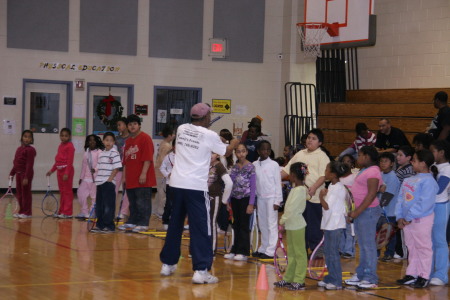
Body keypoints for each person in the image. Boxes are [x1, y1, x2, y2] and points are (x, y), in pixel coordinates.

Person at [159, 103, 238, 284]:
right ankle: (201, 270)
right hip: (195, 187)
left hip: (177, 185)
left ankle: (168, 264)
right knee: (201, 228)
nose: (211, 117)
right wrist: (234, 141)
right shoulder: (209, 135)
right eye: (209, 115)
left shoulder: (181, 128)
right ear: (205, 118)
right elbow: (226, 151)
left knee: (175, 224)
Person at [395, 150, 438, 288]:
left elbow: (424, 203)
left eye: (414, 160)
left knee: (423, 247)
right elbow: (400, 199)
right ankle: (411, 274)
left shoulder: (429, 182)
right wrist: (400, 216)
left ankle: (423, 275)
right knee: (411, 247)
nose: (412, 162)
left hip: (422, 220)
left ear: (423, 163)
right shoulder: (408, 180)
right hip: (407, 221)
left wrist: (408, 216)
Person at [282, 128, 330, 252]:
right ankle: (302, 249)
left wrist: (313, 188)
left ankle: (316, 251)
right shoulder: (300, 154)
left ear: (320, 143)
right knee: (300, 225)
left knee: (313, 226)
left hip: (314, 197)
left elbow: (323, 176)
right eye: (309, 137)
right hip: (299, 196)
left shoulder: (322, 156)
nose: (310, 140)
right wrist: (272, 179)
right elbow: (286, 170)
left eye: (314, 139)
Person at [345, 146, 382, 289]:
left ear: (367, 157)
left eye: (359, 155)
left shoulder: (373, 171)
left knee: (368, 246)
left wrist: (357, 212)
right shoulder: (365, 170)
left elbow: (371, 194)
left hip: (368, 212)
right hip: (362, 212)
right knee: (362, 245)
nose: (357, 158)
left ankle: (371, 277)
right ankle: (361, 274)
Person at [119, 114, 156, 233]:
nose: (132, 126)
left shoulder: (145, 138)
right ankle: (132, 221)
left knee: (142, 201)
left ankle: (143, 223)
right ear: (127, 127)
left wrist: (143, 173)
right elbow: (125, 161)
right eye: (130, 124)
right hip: (131, 177)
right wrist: (124, 177)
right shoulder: (128, 141)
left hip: (142, 177)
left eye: (135, 124)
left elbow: (147, 158)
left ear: (139, 125)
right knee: (133, 201)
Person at [274, 162, 309, 291]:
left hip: (297, 226)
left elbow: (291, 209)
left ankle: (300, 280)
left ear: (293, 175)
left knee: (300, 253)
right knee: (292, 254)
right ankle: (289, 278)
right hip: (291, 226)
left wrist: (282, 220)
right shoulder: (296, 189)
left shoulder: (300, 190)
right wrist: (285, 222)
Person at [318, 161, 349, 290]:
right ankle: (330, 277)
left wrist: (320, 196)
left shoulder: (338, 188)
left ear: (333, 174)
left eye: (326, 170)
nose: (325, 173)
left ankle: (336, 281)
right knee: (328, 252)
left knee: (333, 253)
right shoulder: (331, 185)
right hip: (329, 224)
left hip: (335, 225)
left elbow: (326, 206)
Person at [224, 143, 256, 262]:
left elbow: (253, 187)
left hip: (246, 199)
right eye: (238, 151)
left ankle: (243, 251)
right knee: (235, 224)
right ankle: (235, 249)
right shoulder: (235, 167)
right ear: (235, 153)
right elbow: (230, 184)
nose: (241, 154)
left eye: (243, 151)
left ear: (247, 152)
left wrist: (251, 203)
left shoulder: (251, 167)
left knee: (244, 225)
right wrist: (227, 200)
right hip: (235, 199)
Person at [252, 140, 283, 259]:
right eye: (263, 149)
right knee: (263, 224)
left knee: (271, 224)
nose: (266, 152)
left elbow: (277, 183)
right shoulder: (254, 164)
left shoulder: (274, 165)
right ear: (258, 151)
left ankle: (271, 250)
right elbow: (254, 183)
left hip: (271, 198)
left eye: (268, 149)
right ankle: (263, 247)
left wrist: (277, 201)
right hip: (260, 198)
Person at [90, 132, 122, 233]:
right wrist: (94, 170)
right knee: (100, 205)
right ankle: (100, 225)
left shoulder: (114, 153)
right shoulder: (102, 153)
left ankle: (109, 226)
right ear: (103, 141)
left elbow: (116, 168)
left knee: (108, 205)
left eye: (111, 140)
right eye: (106, 140)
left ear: (114, 142)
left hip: (108, 183)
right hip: (99, 183)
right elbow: (98, 166)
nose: (108, 142)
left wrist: (110, 179)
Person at [429, 140, 450, 286]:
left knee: (439, 240)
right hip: (428, 207)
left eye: (433, 151)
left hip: (441, 206)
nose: (431, 155)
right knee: (428, 241)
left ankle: (441, 274)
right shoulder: (432, 166)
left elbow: (439, 189)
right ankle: (427, 272)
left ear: (441, 152)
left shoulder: (447, 168)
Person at [46, 128, 75, 218]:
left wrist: (66, 173)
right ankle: (61, 211)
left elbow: (70, 161)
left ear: (69, 137)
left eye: (66, 136)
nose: (63, 137)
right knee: (62, 192)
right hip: (59, 171)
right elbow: (58, 161)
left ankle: (67, 212)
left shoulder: (70, 146)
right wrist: (51, 170)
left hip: (67, 171)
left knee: (67, 192)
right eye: (62, 135)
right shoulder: (60, 146)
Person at [378, 152, 400, 262]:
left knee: (389, 234)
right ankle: (376, 253)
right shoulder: (379, 175)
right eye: (381, 161)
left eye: (385, 161)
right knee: (377, 233)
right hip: (379, 211)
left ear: (392, 163)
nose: (383, 163)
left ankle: (389, 253)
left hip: (389, 212)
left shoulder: (393, 177)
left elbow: (387, 196)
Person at [207, 153, 232, 253]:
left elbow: (229, 183)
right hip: (204, 197)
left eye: (212, 153)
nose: (209, 155)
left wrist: (224, 200)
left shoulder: (219, 166)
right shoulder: (204, 164)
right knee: (204, 223)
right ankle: (202, 248)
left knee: (212, 223)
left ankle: (212, 250)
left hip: (215, 197)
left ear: (217, 154)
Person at [9, 130, 36, 218]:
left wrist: (26, 177)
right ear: (21, 138)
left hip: (26, 174)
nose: (27, 139)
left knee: (26, 194)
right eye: (25, 136)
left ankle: (27, 212)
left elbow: (29, 164)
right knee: (19, 194)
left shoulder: (30, 150)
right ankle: (21, 211)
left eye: (29, 137)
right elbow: (16, 163)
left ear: (31, 139)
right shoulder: (19, 149)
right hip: (18, 174)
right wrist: (12, 173)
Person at [76, 134, 103, 219]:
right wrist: (81, 177)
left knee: (94, 196)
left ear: (97, 141)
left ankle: (93, 212)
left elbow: (101, 163)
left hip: (95, 179)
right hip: (86, 179)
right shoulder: (86, 153)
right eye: (90, 140)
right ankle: (84, 211)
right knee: (80, 194)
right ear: (87, 142)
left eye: (93, 140)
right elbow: (84, 166)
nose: (92, 142)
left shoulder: (99, 152)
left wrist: (95, 169)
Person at [338, 154, 357, 259]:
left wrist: (354, 208)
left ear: (352, 164)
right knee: (341, 229)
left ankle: (349, 250)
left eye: (349, 161)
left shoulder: (354, 176)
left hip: (350, 208)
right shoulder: (339, 178)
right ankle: (341, 249)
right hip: (340, 209)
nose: (346, 163)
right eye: (344, 161)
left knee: (350, 230)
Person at [154, 126, 175, 219]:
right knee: (163, 193)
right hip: (161, 173)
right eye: (173, 134)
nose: (174, 135)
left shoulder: (163, 143)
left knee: (159, 192)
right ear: (170, 135)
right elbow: (163, 159)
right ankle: (161, 212)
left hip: (158, 171)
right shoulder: (167, 146)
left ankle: (156, 210)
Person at [115, 117, 130, 220]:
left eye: (120, 124)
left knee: (126, 192)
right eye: (118, 125)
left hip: (128, 169)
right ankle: (110, 210)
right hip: (117, 169)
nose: (119, 127)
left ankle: (123, 212)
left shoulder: (131, 139)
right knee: (113, 190)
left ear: (126, 125)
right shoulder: (116, 139)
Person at [160, 140, 176, 231]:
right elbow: (162, 168)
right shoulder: (168, 157)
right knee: (169, 203)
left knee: (178, 204)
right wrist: (167, 174)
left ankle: (175, 221)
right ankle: (166, 220)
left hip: (180, 184)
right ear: (173, 147)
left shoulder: (184, 157)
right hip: (170, 183)